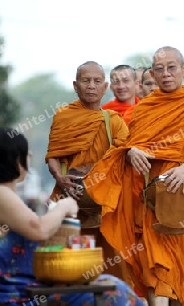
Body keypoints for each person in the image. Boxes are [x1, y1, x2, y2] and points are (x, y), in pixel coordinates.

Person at [83, 46, 184, 306]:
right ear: (153, 75)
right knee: (150, 256)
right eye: (159, 69)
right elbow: (128, 144)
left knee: (182, 257)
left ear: (183, 70)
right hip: (150, 191)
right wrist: (132, 151)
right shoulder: (145, 109)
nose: (166, 74)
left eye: (172, 68)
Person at [0, 128, 145, 306]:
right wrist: (64, 206)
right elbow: (39, 229)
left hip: (14, 287)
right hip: (11, 292)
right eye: (26, 154)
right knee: (114, 290)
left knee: (107, 281)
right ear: (15, 161)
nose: (29, 157)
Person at [45, 61, 131, 281]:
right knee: (70, 268)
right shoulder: (64, 116)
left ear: (105, 87)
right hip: (70, 201)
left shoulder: (114, 121)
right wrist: (59, 177)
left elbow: (124, 156)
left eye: (97, 81)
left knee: (112, 267)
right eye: (86, 81)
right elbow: (53, 154)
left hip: (107, 206)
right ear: (76, 85)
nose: (91, 86)